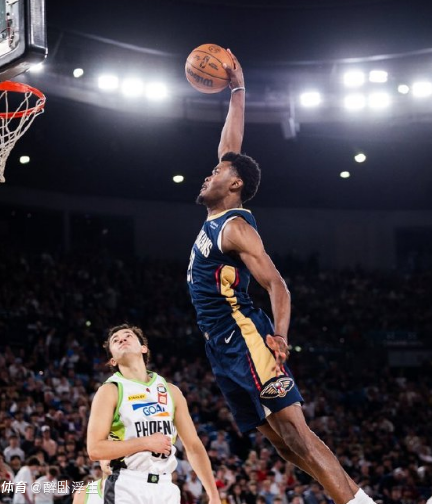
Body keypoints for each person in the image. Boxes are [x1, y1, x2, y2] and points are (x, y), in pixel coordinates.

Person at [186, 49, 374, 504]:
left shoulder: (235, 227)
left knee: (298, 434)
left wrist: (281, 336)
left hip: (246, 336)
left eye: (217, 172)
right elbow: (231, 142)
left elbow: (277, 285)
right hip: (221, 345)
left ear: (234, 185)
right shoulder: (216, 217)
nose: (209, 174)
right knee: (283, 443)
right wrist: (237, 89)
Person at [86, 324, 220, 504]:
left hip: (165, 486)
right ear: (113, 361)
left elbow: (193, 446)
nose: (122, 339)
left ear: (143, 348)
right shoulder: (110, 390)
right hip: (127, 484)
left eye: (128, 335)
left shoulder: (171, 391)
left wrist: (213, 495)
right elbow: (95, 449)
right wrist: (145, 442)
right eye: (115, 340)